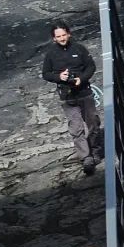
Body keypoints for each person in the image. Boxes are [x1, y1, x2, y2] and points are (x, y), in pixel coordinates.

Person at [40, 20, 101, 176]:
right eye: (58, 36)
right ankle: (85, 157)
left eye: (64, 35)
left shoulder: (79, 48)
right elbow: (46, 74)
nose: (62, 38)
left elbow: (91, 66)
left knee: (93, 122)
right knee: (76, 127)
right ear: (54, 38)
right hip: (67, 95)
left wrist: (82, 78)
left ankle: (95, 150)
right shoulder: (51, 54)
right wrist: (59, 77)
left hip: (84, 91)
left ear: (69, 34)